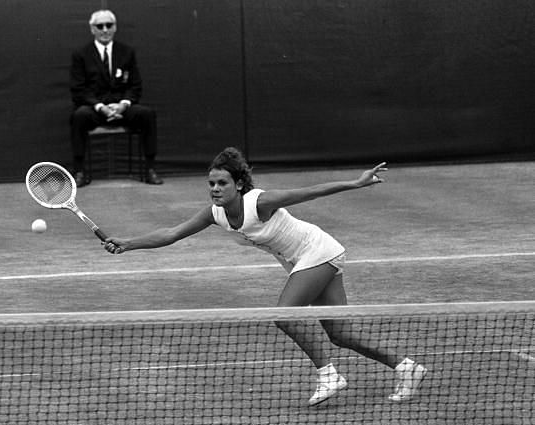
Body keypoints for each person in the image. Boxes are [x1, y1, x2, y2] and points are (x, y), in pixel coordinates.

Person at [103, 147, 426, 405]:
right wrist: (128, 243)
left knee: (282, 315)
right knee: (340, 334)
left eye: (222, 183)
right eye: (211, 183)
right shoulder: (215, 213)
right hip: (305, 258)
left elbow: (310, 191)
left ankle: (328, 375)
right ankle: (407, 367)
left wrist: (355, 183)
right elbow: (172, 233)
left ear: (239, 184)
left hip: (319, 252)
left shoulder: (261, 202)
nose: (215, 189)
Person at [69, 9, 163, 187]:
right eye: (100, 26)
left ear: (115, 27)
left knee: (147, 114)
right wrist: (100, 107)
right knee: (79, 116)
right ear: (92, 29)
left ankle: (150, 169)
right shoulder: (81, 54)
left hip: (122, 108)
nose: (105, 30)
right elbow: (79, 89)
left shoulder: (126, 52)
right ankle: (79, 172)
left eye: (109, 25)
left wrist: (123, 104)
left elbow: (135, 86)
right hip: (95, 109)